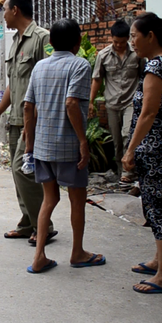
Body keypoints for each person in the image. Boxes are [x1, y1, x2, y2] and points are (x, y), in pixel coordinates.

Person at [24, 19, 106, 273]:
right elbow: (72, 104)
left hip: (43, 146)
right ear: (77, 42)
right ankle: (78, 253)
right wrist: (83, 141)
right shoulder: (80, 64)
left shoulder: (39, 66)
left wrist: (29, 146)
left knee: (49, 199)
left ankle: (39, 256)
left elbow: (28, 107)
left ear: (50, 43)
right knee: (77, 200)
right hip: (69, 147)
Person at [0, 0, 57, 244]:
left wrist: (34, 123)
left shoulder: (42, 38)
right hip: (15, 119)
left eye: (4, 9)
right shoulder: (16, 41)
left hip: (32, 120)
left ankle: (43, 225)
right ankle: (28, 222)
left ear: (15, 10)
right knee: (19, 174)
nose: (2, 14)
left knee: (23, 170)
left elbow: (47, 83)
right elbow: (13, 86)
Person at [121, 13, 162, 294]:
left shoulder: (156, 66)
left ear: (150, 36)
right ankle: (159, 260)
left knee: (156, 208)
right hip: (161, 145)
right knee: (154, 204)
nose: (131, 41)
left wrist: (131, 149)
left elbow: (149, 112)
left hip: (153, 147)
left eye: (134, 36)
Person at [90, 19, 144, 186]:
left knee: (128, 134)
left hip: (131, 101)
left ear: (128, 38)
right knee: (117, 141)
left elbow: (143, 77)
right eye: (115, 42)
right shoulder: (103, 55)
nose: (119, 45)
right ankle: (122, 173)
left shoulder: (137, 54)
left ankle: (129, 172)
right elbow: (97, 79)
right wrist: (91, 101)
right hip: (112, 103)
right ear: (111, 37)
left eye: (122, 42)